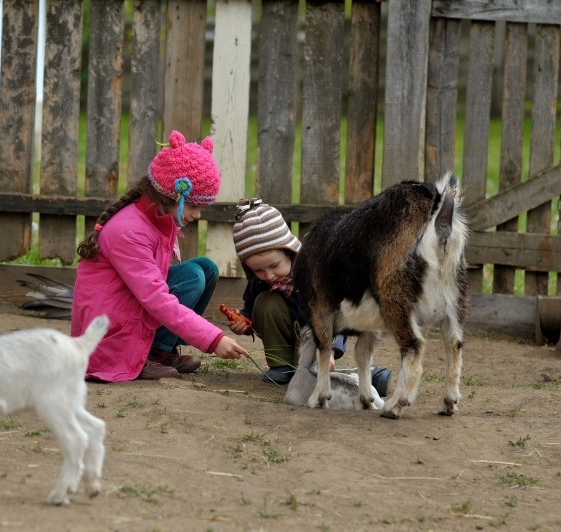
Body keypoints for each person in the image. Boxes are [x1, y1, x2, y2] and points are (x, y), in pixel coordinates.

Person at [71, 130, 250, 382]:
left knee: (205, 268)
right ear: (170, 195)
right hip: (109, 331)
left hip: (127, 303)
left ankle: (160, 349)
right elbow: (155, 298)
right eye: (194, 206)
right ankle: (144, 353)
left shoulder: (157, 217)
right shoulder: (130, 231)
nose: (197, 215)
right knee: (193, 276)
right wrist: (213, 338)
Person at [228, 198, 391, 397]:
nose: (268, 275)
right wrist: (245, 321)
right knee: (265, 302)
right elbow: (252, 309)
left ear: (289, 252)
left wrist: (330, 350)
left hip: (316, 338)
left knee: (313, 373)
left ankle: (368, 376)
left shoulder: (314, 274)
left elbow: (336, 316)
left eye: (274, 265)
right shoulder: (260, 283)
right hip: (288, 339)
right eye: (259, 270)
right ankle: (280, 365)